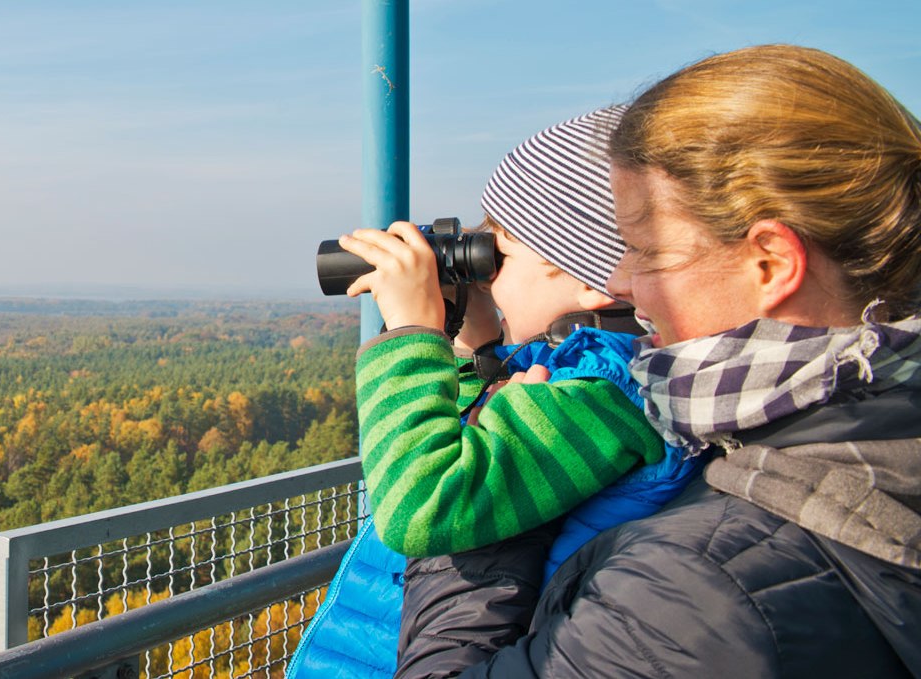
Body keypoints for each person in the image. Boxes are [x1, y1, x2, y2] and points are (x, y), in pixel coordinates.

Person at [395, 44, 921, 678]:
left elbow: (425, 513)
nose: (620, 280)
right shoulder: (860, 428)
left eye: (644, 250)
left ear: (772, 263)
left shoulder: (696, 591)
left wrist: (495, 506)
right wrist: (477, 353)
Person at [288, 107, 698, 677]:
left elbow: (421, 508)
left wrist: (413, 334)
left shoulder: (604, 392)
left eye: (498, 257)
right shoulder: (577, 376)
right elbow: (468, 450)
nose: (485, 277)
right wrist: (473, 345)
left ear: (591, 281)